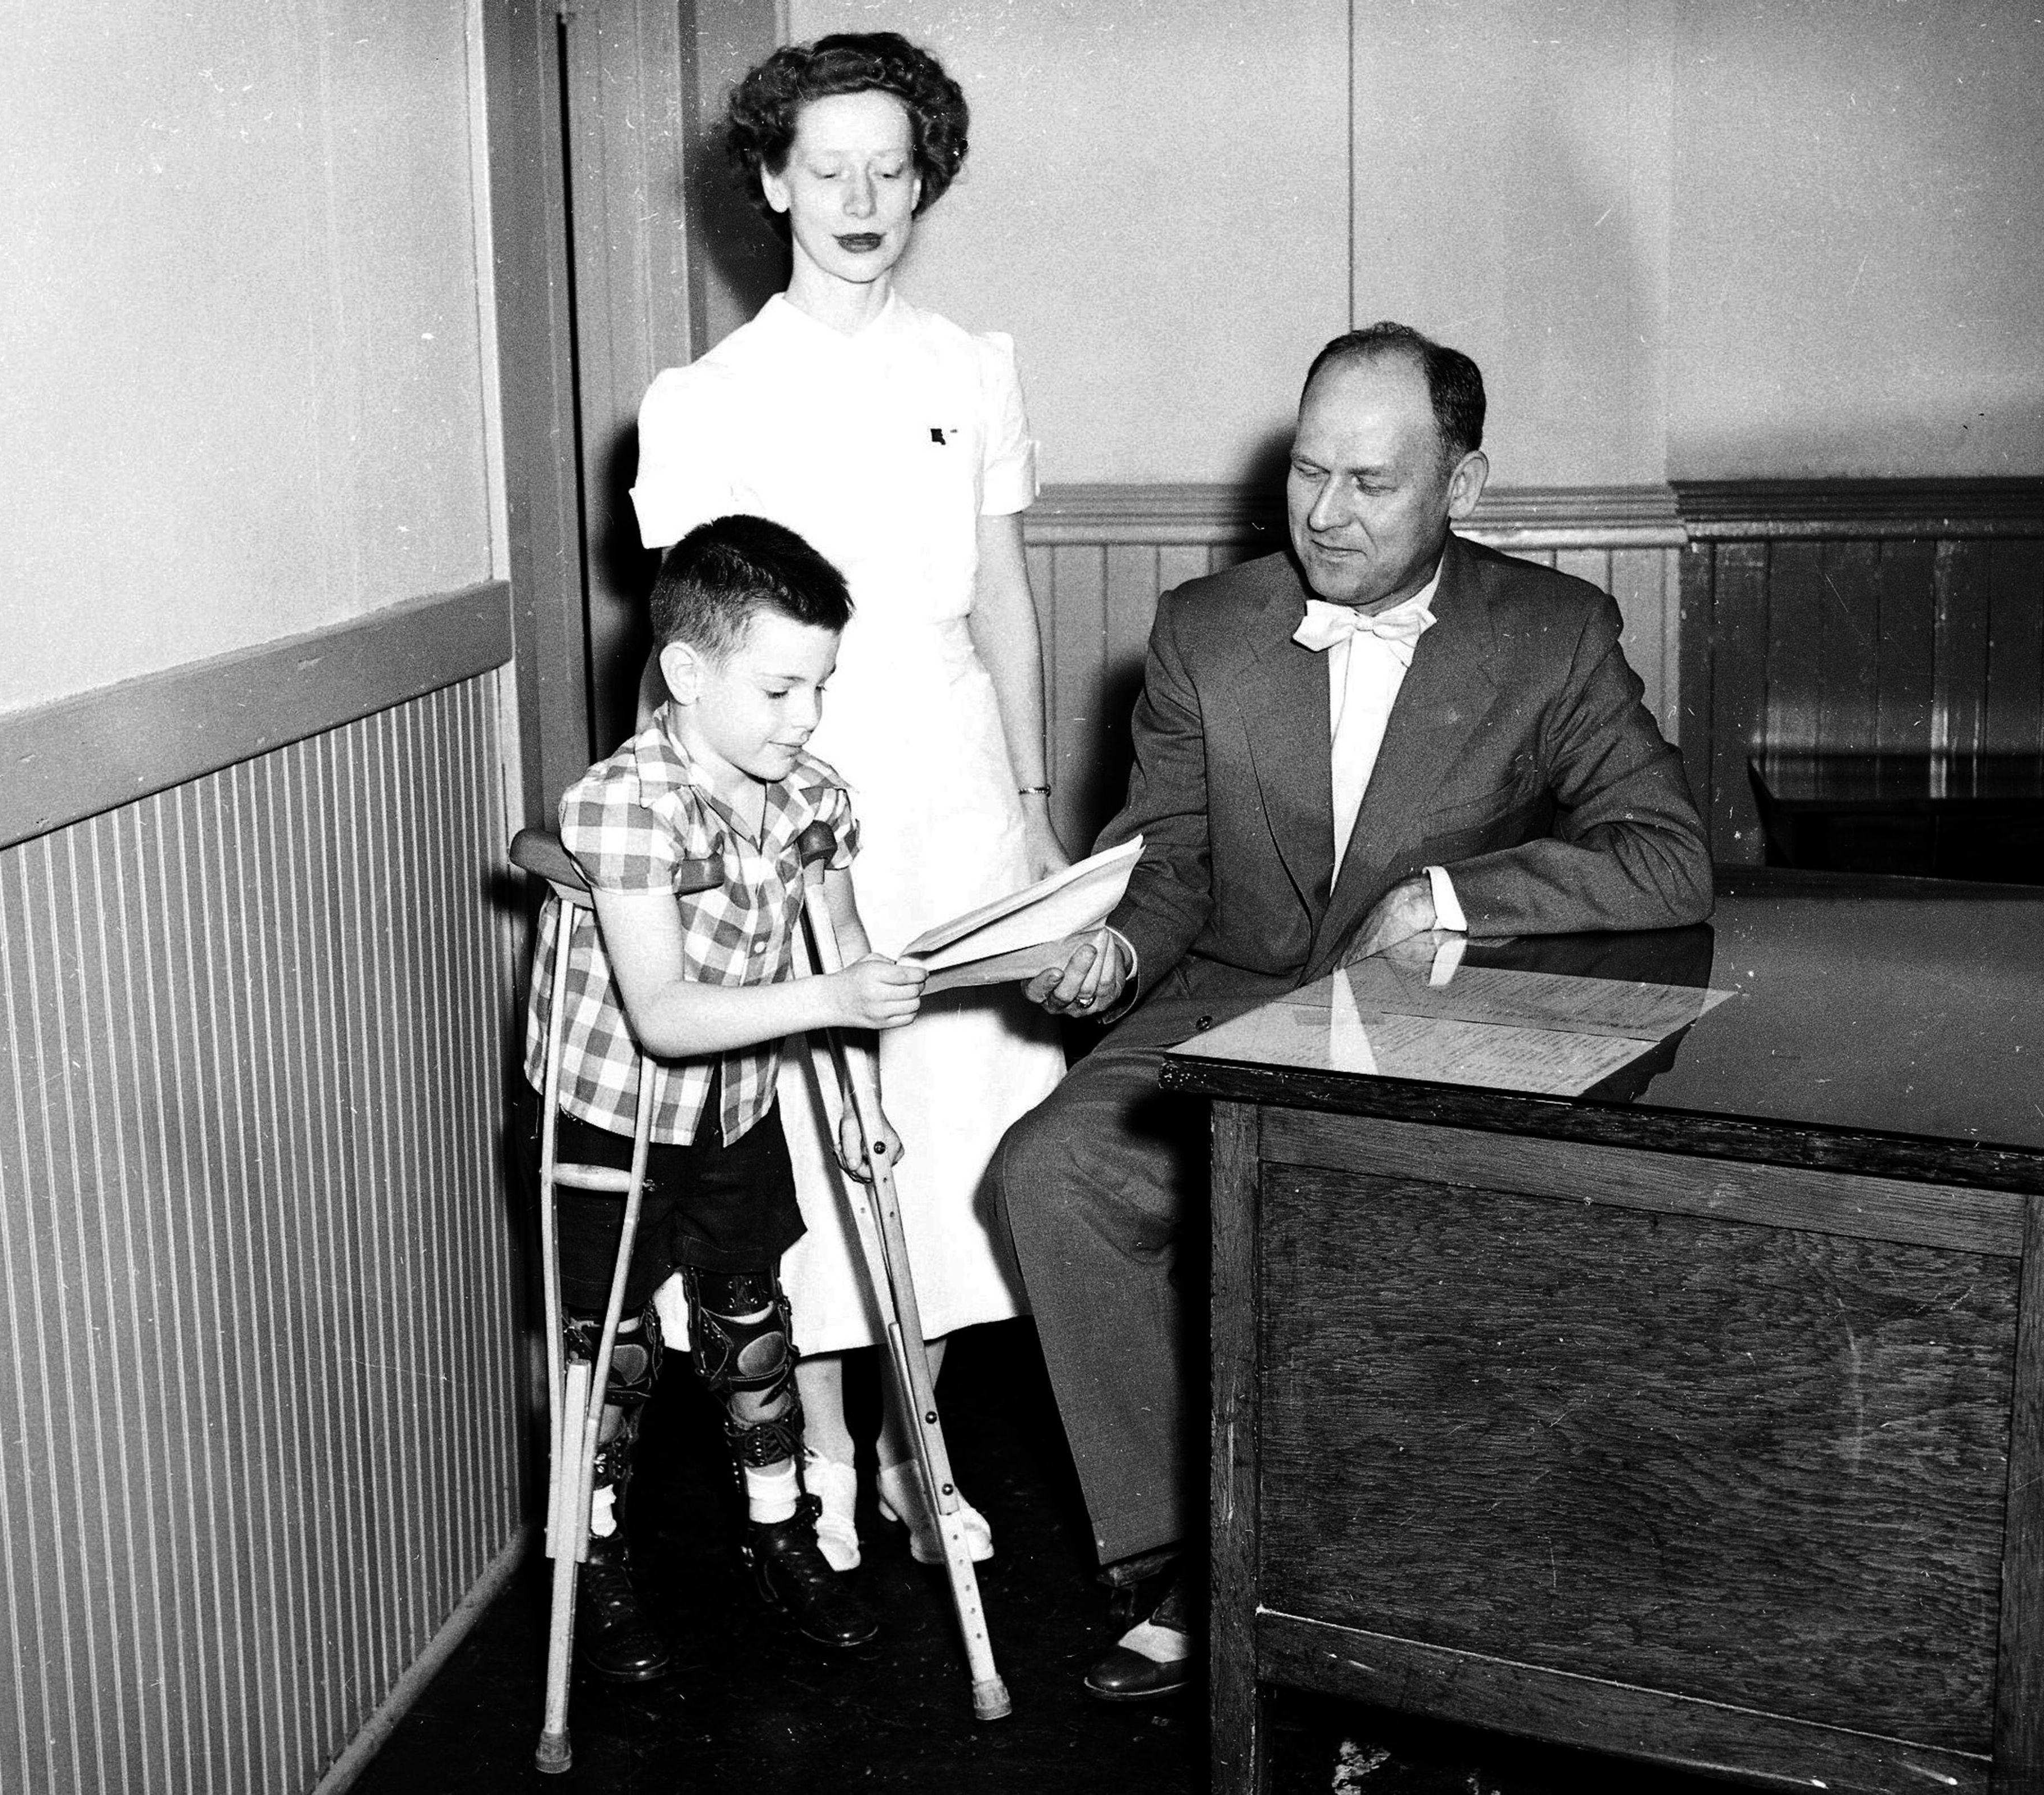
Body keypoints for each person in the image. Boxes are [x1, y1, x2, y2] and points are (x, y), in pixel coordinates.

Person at [989, 323, 1715, 1699]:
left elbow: (1668, 851)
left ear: (1466, 486)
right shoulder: (1205, 629)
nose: (1326, 515)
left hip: (1421, 1024)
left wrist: (1450, 895)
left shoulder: (1552, 634)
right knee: (1052, 1170)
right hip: (1223, 996)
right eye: (1307, 474)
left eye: (1372, 483)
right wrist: (1110, 958)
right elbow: (1168, 867)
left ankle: (1384, 1580)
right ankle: (1192, 1560)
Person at [629, 31, 1065, 1574]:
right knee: (810, 1142)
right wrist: (705, 844)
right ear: (770, 182)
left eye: (893, 167)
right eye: (828, 169)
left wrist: (1031, 800)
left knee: (940, 1136)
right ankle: (814, 1448)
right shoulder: (705, 400)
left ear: (925, 176)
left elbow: (1005, 603)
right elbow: (693, 660)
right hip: (782, 800)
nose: (863, 198)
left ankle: (915, 1446)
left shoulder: (973, 367)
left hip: (950, 797)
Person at [522, 514, 926, 1680]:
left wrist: (860, 1101)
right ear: (689, 674)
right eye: (782, 690)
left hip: (736, 1113)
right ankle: (591, 1560)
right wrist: (837, 996)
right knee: (613, 1355)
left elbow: (842, 948)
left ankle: (777, 1532)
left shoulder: (808, 793)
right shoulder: (620, 804)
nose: (807, 721)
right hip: (613, 1115)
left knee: (751, 1327)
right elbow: (665, 1012)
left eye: (821, 689)